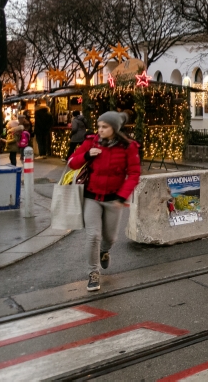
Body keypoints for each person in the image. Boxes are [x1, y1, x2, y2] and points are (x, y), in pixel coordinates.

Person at [68, 111, 140, 292]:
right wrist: (86, 156)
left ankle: (104, 251)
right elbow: (72, 162)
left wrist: (122, 196)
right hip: (91, 197)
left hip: (113, 199)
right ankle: (93, 273)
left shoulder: (128, 147)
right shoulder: (90, 142)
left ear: (114, 128)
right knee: (93, 236)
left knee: (111, 238)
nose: (100, 130)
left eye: (105, 127)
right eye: (99, 126)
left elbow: (133, 174)